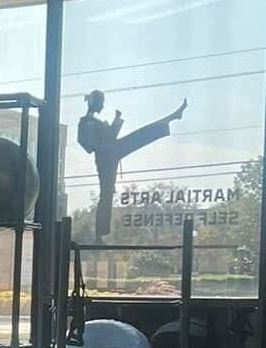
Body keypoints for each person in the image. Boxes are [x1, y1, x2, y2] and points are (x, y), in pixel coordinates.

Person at [77, 90, 186, 237]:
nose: (102, 107)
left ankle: (170, 118)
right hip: (105, 157)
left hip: (111, 152)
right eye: (101, 103)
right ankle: (99, 234)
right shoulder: (86, 122)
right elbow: (87, 144)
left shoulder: (94, 122)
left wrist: (115, 122)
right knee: (106, 194)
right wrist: (101, 141)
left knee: (139, 136)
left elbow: (108, 136)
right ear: (95, 103)